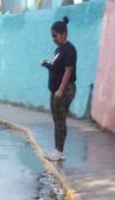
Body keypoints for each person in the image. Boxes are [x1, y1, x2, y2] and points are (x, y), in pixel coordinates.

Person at [40, 17, 76, 162]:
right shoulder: (59, 50)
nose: (53, 39)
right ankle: (57, 150)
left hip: (65, 90)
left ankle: (59, 151)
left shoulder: (70, 50)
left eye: (55, 36)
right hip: (56, 90)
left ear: (63, 34)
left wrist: (60, 90)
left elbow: (68, 71)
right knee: (57, 120)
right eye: (52, 36)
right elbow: (57, 68)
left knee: (60, 120)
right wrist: (47, 65)